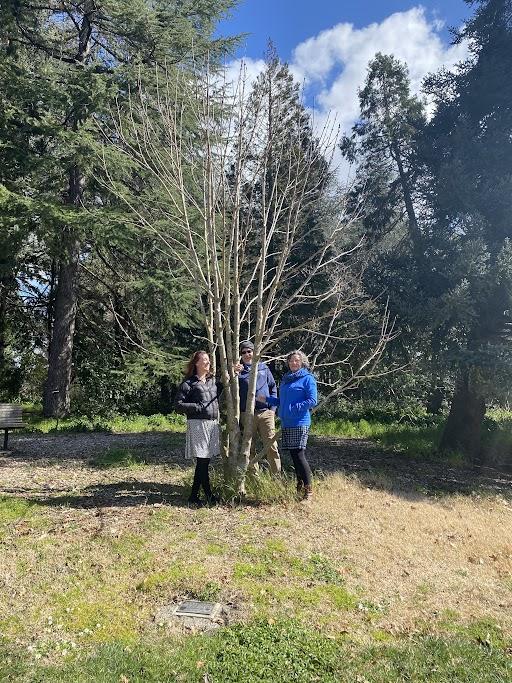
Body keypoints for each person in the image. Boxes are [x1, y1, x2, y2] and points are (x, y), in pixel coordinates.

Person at [258, 350, 317, 500]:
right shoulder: (286, 380)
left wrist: (294, 408)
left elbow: (312, 400)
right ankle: (299, 487)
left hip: (300, 422)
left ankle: (308, 491)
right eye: (291, 360)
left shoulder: (307, 379)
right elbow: (282, 401)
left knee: (299, 455)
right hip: (287, 423)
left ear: (302, 362)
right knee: (293, 456)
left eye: (297, 360)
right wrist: (266, 399)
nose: (293, 363)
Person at [175, 350, 221, 506]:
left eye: (209, 360)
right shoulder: (189, 383)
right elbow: (178, 405)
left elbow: (227, 384)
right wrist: (197, 407)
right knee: (203, 461)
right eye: (205, 360)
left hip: (212, 424)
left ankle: (194, 495)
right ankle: (208, 495)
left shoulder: (213, 381)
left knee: (204, 461)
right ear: (196, 363)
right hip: (198, 424)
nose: (208, 363)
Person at [234, 340, 281, 475]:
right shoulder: (239, 370)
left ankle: (276, 477)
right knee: (249, 447)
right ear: (240, 355)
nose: (247, 354)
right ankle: (254, 477)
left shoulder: (263, 368)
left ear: (254, 352)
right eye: (244, 352)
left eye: (249, 351)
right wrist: (233, 373)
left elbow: (272, 387)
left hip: (266, 413)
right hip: (247, 414)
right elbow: (230, 388)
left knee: (272, 446)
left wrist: (272, 410)